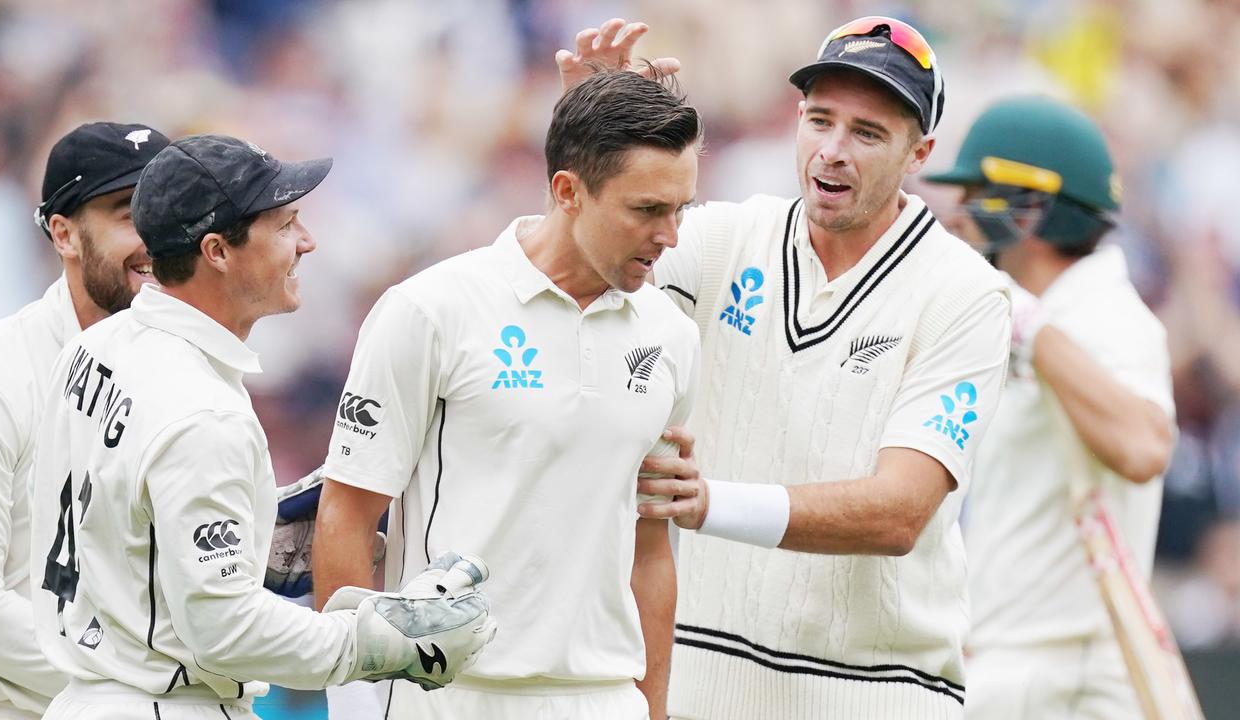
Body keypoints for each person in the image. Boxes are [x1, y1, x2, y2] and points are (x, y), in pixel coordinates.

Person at [559, 16, 1011, 719]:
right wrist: (596, 146)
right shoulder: (726, 236)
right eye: (819, 120)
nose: (831, 152)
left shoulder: (966, 292)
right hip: (701, 686)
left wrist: (708, 504)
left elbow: (899, 513)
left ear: (918, 151)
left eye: (867, 133)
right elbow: (571, 277)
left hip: (881, 694)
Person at [27, 134, 496, 719]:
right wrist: (384, 640)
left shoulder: (95, 345)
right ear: (218, 250)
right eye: (284, 225)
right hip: (168, 703)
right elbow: (225, 631)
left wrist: (250, 539)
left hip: (88, 698)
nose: (307, 241)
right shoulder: (203, 412)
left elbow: (114, 517)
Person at [312, 69, 702, 720]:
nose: (670, 237)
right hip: (447, 698)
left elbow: (651, 547)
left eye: (680, 209)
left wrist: (653, 709)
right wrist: (349, 699)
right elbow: (346, 514)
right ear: (567, 191)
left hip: (603, 701)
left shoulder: (672, 336)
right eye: (647, 210)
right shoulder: (431, 310)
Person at [926, 95, 1175, 718]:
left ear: (1028, 209)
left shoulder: (1106, 316)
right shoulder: (1027, 315)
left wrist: (1027, 323)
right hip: (1014, 663)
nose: (958, 216)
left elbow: (1145, 448)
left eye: (977, 194)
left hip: (1069, 677)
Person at [0, 121, 169, 719]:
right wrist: (133, 683)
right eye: (129, 214)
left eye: (165, 212)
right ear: (64, 234)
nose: (155, 239)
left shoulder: (186, 369)